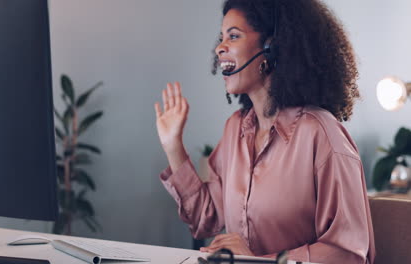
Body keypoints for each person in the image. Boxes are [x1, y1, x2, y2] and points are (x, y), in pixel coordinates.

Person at [153, 0, 375, 263]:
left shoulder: (322, 134)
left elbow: (348, 254)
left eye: (233, 36)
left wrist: (262, 261)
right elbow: (206, 217)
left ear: (272, 47)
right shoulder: (235, 128)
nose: (219, 47)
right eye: (221, 37)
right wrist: (173, 146)